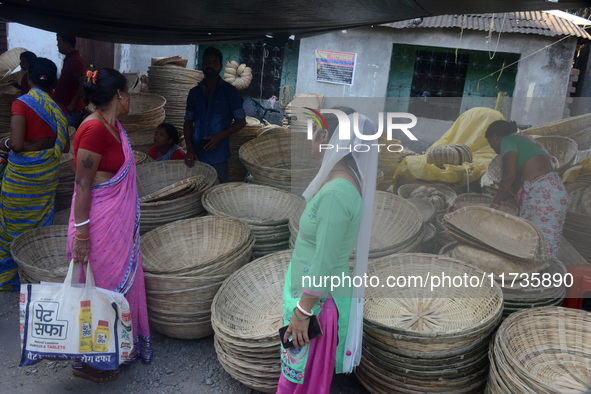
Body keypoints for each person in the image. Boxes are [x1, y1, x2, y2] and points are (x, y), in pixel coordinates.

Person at [278, 108, 378, 393]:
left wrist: (301, 313)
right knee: (304, 380)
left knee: (299, 383)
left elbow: (322, 263)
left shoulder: (336, 193)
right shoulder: (343, 181)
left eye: (313, 134)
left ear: (325, 137)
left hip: (317, 306)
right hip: (316, 301)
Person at [66, 68, 152, 381]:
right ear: (118, 94)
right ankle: (87, 362)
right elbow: (83, 184)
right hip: (97, 227)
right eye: (129, 93)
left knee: (110, 292)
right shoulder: (94, 130)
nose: (130, 99)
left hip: (113, 226)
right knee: (97, 292)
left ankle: (114, 349)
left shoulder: (112, 126)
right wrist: (83, 236)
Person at [0, 58, 68, 291]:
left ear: (28, 80)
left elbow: (16, 144)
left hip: (22, 180)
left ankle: (9, 278)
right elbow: (64, 146)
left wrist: (5, 142)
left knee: (11, 226)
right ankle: (31, 276)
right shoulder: (57, 109)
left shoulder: (22, 104)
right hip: (46, 178)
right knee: (37, 227)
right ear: (54, 82)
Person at [485, 120, 568, 255]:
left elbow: (509, 176)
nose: (494, 149)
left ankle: (540, 276)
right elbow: (516, 181)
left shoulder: (507, 140)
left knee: (537, 247)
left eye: (491, 144)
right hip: (553, 192)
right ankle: (543, 274)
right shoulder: (525, 140)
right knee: (544, 245)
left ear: (495, 136)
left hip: (542, 196)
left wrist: (495, 203)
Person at [183, 46, 246, 183]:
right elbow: (188, 123)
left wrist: (219, 137)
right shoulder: (194, 93)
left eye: (214, 63)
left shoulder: (231, 93)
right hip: (197, 156)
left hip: (218, 156)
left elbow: (241, 122)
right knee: (196, 195)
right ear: (202, 65)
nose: (210, 66)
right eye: (206, 62)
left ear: (221, 66)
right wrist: (189, 149)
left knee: (217, 194)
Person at [55, 34, 85, 129]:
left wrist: (72, 104)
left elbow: (83, 83)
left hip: (72, 111)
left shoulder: (74, 61)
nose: (57, 45)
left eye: (59, 42)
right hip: (66, 108)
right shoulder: (69, 59)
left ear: (66, 44)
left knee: (67, 138)